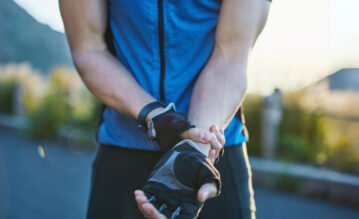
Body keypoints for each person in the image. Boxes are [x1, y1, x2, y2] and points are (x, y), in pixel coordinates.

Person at [59, 0, 271, 218]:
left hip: (209, 150)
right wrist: (156, 116)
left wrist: (195, 147)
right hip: (123, 146)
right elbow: (89, 49)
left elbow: (230, 58)